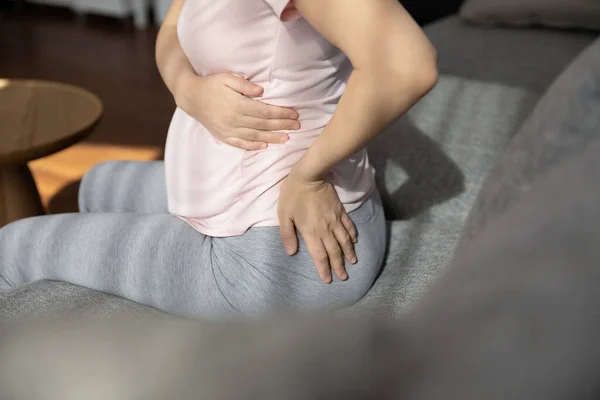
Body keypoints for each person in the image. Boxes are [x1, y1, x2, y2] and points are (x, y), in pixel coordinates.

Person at [0, 0, 437, 319]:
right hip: (237, 197)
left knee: (10, 248)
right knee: (98, 182)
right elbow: (173, 27)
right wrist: (188, 89)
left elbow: (407, 65)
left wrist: (310, 177)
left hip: (282, 246)